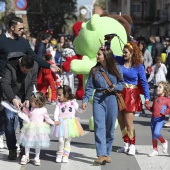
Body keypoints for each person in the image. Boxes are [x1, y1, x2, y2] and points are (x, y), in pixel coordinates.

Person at [0, 16, 60, 150]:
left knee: (23, 119)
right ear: (12, 28)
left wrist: (48, 66)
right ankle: (5, 137)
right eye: (20, 28)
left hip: (23, 84)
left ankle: (22, 149)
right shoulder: (1, 41)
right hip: (5, 82)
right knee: (7, 117)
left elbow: (34, 57)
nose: (22, 30)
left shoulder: (23, 42)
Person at [81, 45, 124, 165]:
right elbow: (89, 87)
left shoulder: (116, 68)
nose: (97, 56)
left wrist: (115, 87)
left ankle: (107, 153)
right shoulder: (94, 70)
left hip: (112, 98)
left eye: (99, 54)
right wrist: (85, 100)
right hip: (99, 99)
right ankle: (101, 154)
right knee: (99, 126)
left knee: (110, 128)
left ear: (105, 56)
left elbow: (122, 84)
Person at [1, 53, 38, 160]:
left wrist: (27, 98)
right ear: (20, 64)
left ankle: (23, 148)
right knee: (9, 120)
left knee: (25, 123)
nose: (26, 72)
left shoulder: (35, 65)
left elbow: (32, 82)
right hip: (11, 95)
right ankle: (12, 149)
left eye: (28, 71)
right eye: (24, 70)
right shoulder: (10, 65)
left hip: (25, 95)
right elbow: (5, 83)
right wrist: (13, 98)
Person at [116, 42, 150, 156]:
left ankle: (132, 145)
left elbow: (144, 83)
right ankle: (126, 143)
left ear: (131, 53)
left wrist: (147, 97)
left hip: (131, 94)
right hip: (121, 93)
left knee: (128, 121)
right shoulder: (120, 61)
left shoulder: (138, 66)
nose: (123, 54)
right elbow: (109, 54)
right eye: (123, 52)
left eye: (126, 52)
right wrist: (107, 43)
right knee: (121, 120)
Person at [19, 91, 58, 166]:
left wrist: (53, 123)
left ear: (39, 102)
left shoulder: (43, 110)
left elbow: (47, 118)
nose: (31, 103)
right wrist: (24, 110)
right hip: (30, 127)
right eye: (31, 101)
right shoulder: (31, 108)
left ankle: (37, 157)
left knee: (38, 144)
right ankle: (26, 156)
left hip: (39, 129)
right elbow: (28, 115)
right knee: (27, 142)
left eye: (33, 102)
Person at [54, 85, 84, 163]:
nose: (58, 97)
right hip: (61, 123)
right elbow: (56, 113)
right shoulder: (59, 104)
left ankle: (65, 155)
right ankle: (59, 154)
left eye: (60, 95)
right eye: (58, 95)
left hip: (70, 124)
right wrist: (56, 119)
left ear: (66, 94)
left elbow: (79, 111)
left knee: (67, 140)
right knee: (61, 140)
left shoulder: (73, 102)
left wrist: (83, 108)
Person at [145, 81, 170, 156]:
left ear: (164, 90)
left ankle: (164, 142)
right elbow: (153, 109)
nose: (157, 88)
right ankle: (155, 149)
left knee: (156, 133)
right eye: (157, 86)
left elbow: (169, 109)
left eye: (160, 87)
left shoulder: (167, 100)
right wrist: (147, 106)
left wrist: (166, 112)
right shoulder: (155, 99)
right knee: (153, 135)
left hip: (160, 119)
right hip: (153, 119)